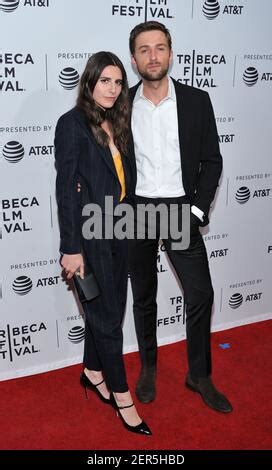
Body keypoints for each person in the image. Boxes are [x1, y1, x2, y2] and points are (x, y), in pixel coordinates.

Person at [128, 21, 232, 413]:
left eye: (159, 48)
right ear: (134, 58)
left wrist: (194, 210)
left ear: (170, 54)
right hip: (136, 210)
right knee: (144, 295)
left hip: (179, 210)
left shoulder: (196, 100)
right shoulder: (122, 104)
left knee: (201, 293)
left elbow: (212, 161)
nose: (152, 56)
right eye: (144, 49)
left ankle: (199, 375)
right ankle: (149, 367)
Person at [54, 51, 151, 435]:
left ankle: (92, 371)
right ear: (89, 82)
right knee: (109, 321)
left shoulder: (118, 121)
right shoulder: (71, 124)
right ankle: (121, 396)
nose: (111, 89)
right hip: (89, 238)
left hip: (122, 229)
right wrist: (70, 247)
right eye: (104, 80)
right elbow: (65, 190)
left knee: (109, 311)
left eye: (117, 81)